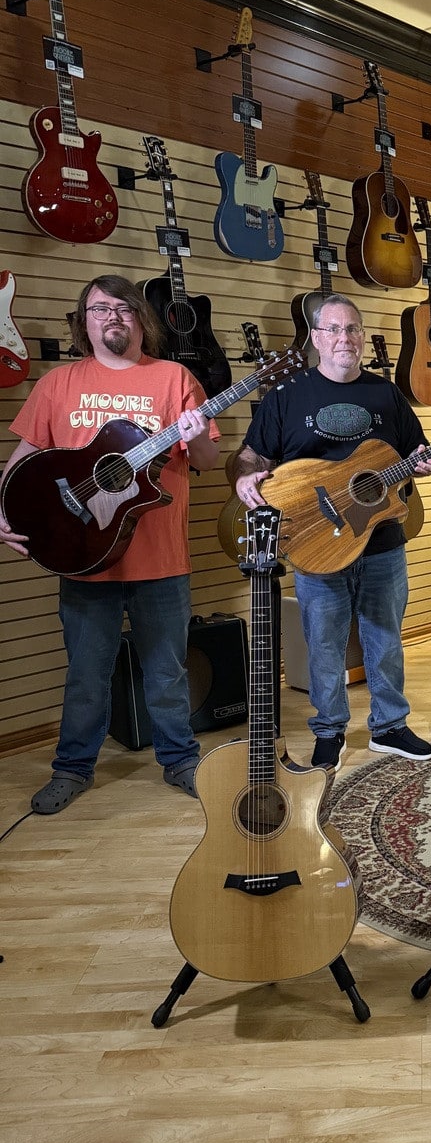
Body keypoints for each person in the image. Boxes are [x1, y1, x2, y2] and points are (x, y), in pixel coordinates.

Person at [0, 275, 220, 813]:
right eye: (100, 308)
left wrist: (194, 434)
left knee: (167, 672)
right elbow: (23, 461)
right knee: (85, 675)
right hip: (81, 556)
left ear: (142, 319)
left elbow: (207, 461)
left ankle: (180, 761)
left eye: (124, 308)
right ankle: (73, 769)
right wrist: (1, 511)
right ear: (85, 320)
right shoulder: (58, 384)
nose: (113, 317)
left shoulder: (175, 378)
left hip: (161, 559)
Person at [233, 294, 431, 772]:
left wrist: (421, 463)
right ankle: (329, 731)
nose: (343, 338)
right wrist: (245, 476)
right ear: (315, 337)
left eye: (352, 329)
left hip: (381, 540)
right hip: (315, 542)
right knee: (324, 644)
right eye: (333, 329)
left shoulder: (386, 394)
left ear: (362, 336)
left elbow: (415, 450)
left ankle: (389, 727)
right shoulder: (287, 395)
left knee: (385, 638)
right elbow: (251, 455)